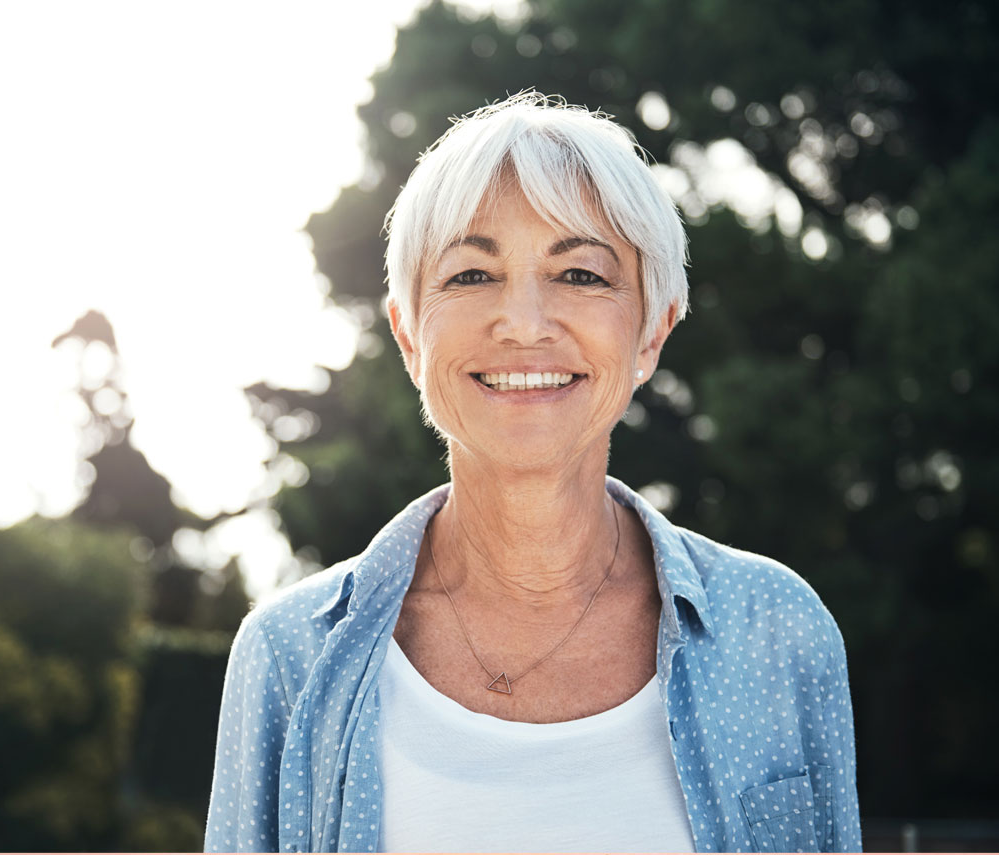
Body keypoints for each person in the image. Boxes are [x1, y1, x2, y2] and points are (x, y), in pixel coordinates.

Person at [204, 92, 860, 853]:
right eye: (472, 275)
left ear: (652, 331)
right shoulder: (288, 655)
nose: (523, 321)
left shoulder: (777, 631)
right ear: (409, 335)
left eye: (581, 275)